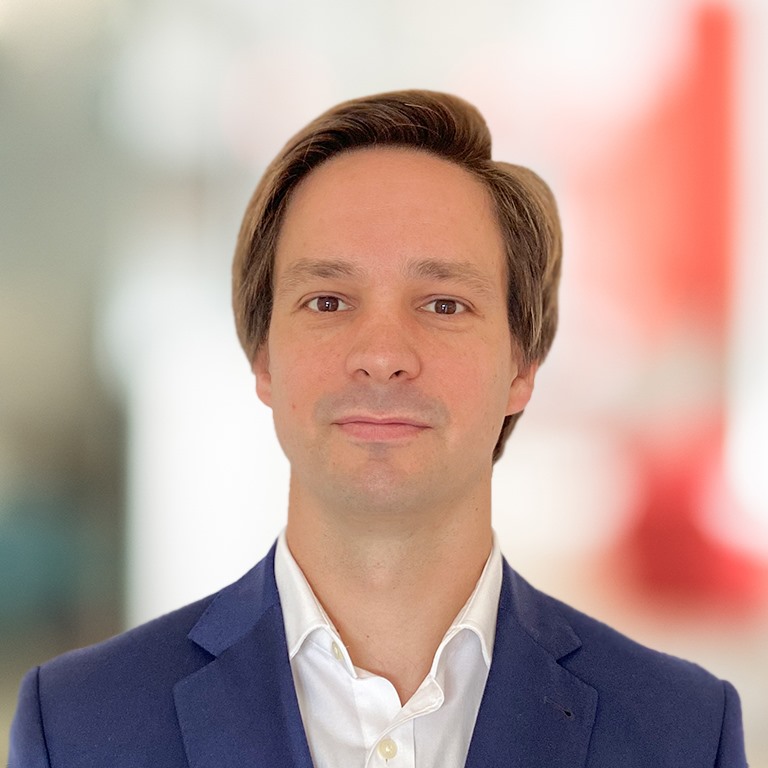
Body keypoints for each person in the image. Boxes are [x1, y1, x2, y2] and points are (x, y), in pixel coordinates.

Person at [9, 90, 747, 767]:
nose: (384, 355)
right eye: (328, 301)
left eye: (444, 304)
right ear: (263, 359)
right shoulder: (76, 726)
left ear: (522, 365)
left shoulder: (683, 732)